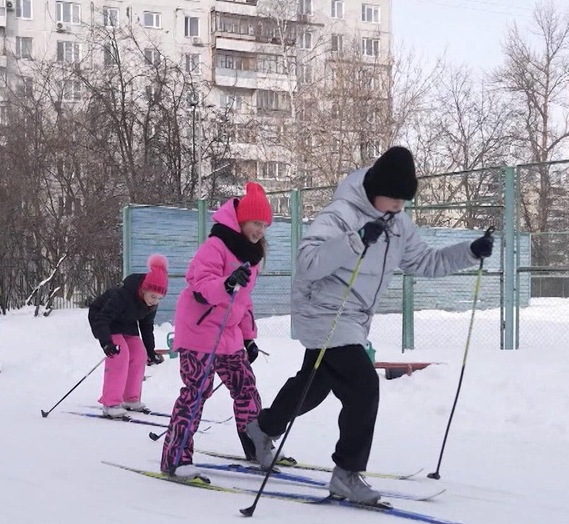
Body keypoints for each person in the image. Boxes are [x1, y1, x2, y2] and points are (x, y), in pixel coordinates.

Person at [244, 146, 493, 504]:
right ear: (375, 190)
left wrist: (469, 252)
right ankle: (346, 473)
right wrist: (356, 240)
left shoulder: (399, 224)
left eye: (403, 201)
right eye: (393, 199)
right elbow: (308, 263)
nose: (398, 207)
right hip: (322, 311)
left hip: (354, 319)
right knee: (363, 386)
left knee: (314, 383)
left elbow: (425, 262)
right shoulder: (340, 215)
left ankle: (262, 427)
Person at [158, 182, 275, 479]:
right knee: (197, 392)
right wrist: (227, 283)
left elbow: (244, 301)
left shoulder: (252, 255)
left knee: (246, 388)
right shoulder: (216, 245)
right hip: (199, 331)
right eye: (255, 222)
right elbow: (200, 285)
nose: (260, 230)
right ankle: (176, 458)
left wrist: (249, 337)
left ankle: (256, 447)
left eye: (264, 225)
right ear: (241, 220)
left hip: (229, 334)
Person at [88, 254, 167, 418]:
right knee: (120, 354)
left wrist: (150, 352)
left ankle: (130, 398)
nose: (155, 301)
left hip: (126, 321)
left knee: (139, 353)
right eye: (153, 296)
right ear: (144, 289)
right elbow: (102, 318)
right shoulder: (123, 294)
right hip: (104, 318)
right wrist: (106, 343)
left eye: (159, 298)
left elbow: (146, 327)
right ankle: (110, 403)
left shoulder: (150, 304)